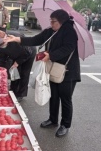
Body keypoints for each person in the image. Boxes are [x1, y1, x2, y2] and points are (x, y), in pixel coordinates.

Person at [6, 9, 81, 137]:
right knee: (54, 95)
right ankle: (53, 120)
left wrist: (50, 55)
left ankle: (65, 124)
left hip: (67, 71)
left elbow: (68, 48)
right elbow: (36, 39)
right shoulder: (51, 31)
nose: (51, 24)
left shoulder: (70, 32)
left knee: (65, 99)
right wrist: (17, 39)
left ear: (62, 22)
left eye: (54, 21)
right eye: (50, 21)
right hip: (52, 67)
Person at [0, 34, 36, 102]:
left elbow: (27, 52)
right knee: (14, 73)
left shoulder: (15, 41)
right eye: (0, 46)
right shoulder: (0, 46)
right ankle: (13, 90)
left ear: (5, 40)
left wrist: (17, 62)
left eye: (3, 44)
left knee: (24, 73)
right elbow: (1, 59)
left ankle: (21, 94)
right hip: (15, 55)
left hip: (28, 53)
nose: (2, 46)